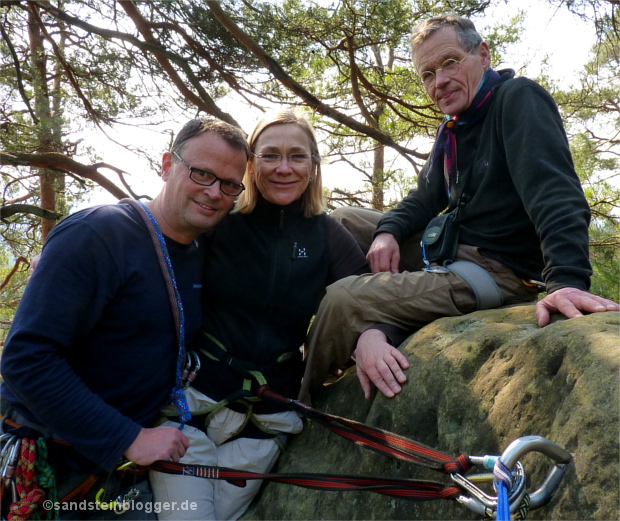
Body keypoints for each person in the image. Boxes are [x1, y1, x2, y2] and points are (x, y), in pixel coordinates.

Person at [297, 13, 620, 404]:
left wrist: (567, 280)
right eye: (428, 74)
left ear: (483, 55)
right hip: (453, 248)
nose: (440, 81)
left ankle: (299, 401)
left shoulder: (518, 99)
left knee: (344, 299)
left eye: (450, 62)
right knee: (341, 221)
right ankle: (359, 331)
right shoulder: (455, 126)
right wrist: (388, 232)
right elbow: (424, 198)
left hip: (497, 272)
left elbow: (554, 193)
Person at [0, 117, 249, 519]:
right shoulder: (97, 235)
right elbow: (25, 359)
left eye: (229, 184)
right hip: (50, 462)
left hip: (117, 469)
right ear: (168, 165)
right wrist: (127, 437)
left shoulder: (202, 248)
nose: (213, 192)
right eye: (201, 173)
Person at [150, 109, 369, 520]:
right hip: (192, 408)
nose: (283, 168)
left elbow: (368, 294)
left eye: (296, 156)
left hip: (267, 422)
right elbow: (157, 230)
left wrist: (373, 335)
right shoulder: (221, 221)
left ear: (313, 166)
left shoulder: (326, 236)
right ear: (252, 165)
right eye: (270, 155)